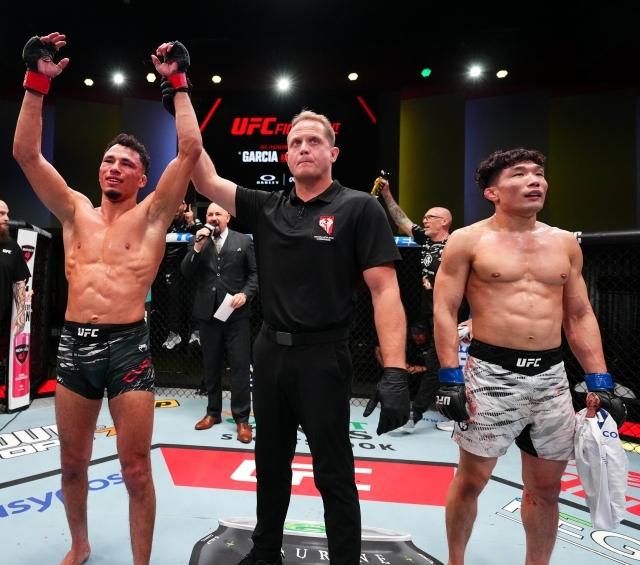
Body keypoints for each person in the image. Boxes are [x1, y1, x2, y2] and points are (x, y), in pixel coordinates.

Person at [180, 105, 409, 564]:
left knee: (333, 472)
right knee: (270, 464)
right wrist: (181, 93)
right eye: (295, 143)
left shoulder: (359, 207)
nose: (304, 148)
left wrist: (396, 371)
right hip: (270, 352)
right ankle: (266, 552)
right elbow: (203, 177)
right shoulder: (268, 206)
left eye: (314, 141)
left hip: (324, 356)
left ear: (333, 153)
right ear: (286, 156)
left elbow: (385, 290)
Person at [13, 33, 202, 565]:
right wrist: (36, 82)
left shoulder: (153, 216)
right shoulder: (74, 211)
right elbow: (26, 154)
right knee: (72, 463)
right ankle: (80, 544)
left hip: (127, 347)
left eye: (125, 162)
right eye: (108, 160)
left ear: (143, 176)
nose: (114, 167)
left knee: (136, 469)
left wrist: (179, 83)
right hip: (75, 345)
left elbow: (190, 151)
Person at [432, 147, 626, 565]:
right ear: (492, 192)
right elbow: (445, 310)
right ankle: (455, 561)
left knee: (546, 489)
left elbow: (579, 314)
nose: (534, 180)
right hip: (491, 375)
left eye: (538, 173)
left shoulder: (564, 243)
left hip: (551, 378)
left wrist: (600, 380)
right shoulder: (467, 240)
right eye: (519, 174)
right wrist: (449, 376)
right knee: (472, 480)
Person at [378, 180, 464, 427]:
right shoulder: (426, 241)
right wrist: (387, 194)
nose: (424, 220)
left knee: (445, 361)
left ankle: (420, 413)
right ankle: (448, 413)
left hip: (452, 312)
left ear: (444, 221)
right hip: (430, 311)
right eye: (424, 217)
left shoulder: (456, 244)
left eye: (430, 217)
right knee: (438, 361)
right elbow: (402, 220)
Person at [181, 202, 258, 443]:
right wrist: (196, 246)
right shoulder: (199, 241)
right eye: (210, 214)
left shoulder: (243, 241)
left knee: (239, 367)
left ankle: (242, 419)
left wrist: (245, 294)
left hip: (236, 315)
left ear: (228, 217)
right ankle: (213, 412)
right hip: (208, 314)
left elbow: (255, 274)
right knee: (210, 366)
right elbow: (186, 271)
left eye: (218, 214)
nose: (213, 217)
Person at [161, 200, 202, 350]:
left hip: (191, 267)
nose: (176, 206)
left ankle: (196, 333)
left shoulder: (192, 221)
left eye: (179, 203)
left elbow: (205, 237)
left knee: (193, 300)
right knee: (173, 301)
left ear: (184, 206)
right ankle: (174, 334)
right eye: (174, 202)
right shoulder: (166, 222)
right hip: (172, 268)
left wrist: (192, 223)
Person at [0, 200, 31, 380]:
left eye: (7, 213)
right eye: (1, 214)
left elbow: (19, 282)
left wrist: (20, 314)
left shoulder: (12, 247)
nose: (7, 218)